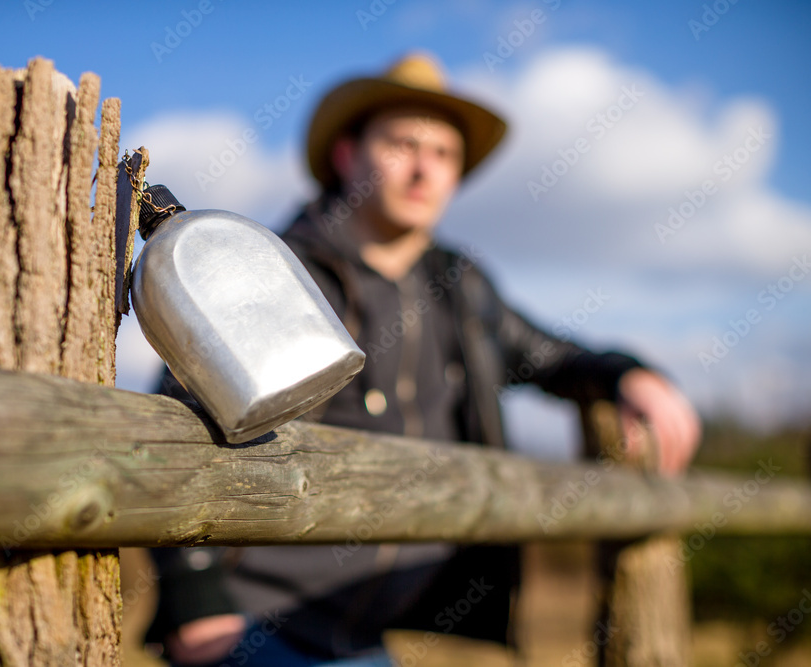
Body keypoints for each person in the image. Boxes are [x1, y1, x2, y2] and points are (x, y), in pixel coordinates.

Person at [144, 52, 701, 666]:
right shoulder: (278, 270)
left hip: (368, 640)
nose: (423, 170)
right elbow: (179, 412)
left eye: (443, 154)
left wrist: (631, 375)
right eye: (402, 144)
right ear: (345, 156)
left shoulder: (461, 286)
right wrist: (196, 601)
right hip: (257, 630)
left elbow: (553, 357)